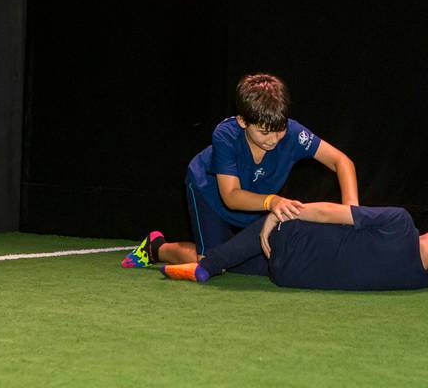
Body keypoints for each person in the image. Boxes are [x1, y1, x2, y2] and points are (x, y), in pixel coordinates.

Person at [121, 73, 358, 268]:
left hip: (257, 199)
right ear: (243, 121)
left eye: (280, 130)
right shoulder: (226, 135)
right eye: (264, 132)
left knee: (260, 259)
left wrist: (352, 213)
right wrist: (273, 201)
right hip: (210, 193)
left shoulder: (294, 134)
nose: (274, 139)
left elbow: (342, 162)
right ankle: (156, 248)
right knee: (213, 263)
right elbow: (231, 196)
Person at [160, 203, 428, 291]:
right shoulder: (417, 281)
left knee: (268, 226)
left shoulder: (400, 223)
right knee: (234, 257)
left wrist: (278, 213)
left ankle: (207, 267)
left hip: (288, 242)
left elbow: (328, 213)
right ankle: (157, 247)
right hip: (289, 276)